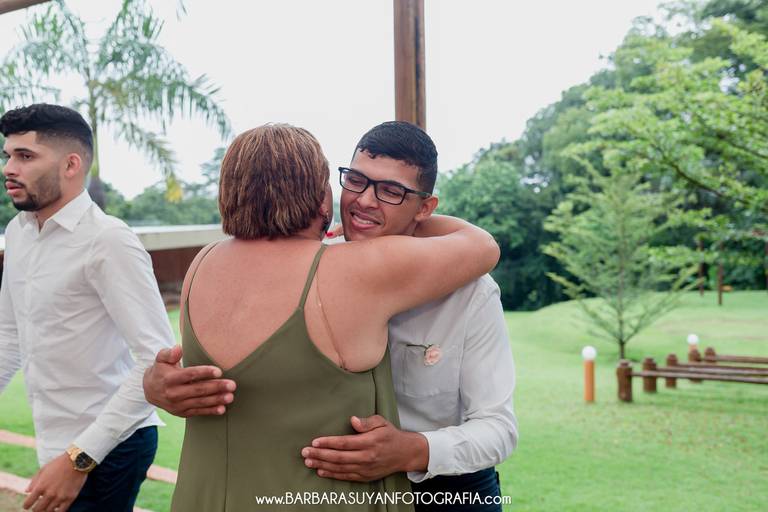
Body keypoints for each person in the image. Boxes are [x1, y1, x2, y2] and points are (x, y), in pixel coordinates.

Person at [144, 122, 516, 511]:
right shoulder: (316, 264)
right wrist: (157, 384)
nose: (365, 200)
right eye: (355, 180)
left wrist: (414, 450)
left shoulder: (471, 291)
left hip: (449, 488)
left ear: (425, 207)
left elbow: (499, 429)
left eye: (391, 191)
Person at [0, 104, 174, 512]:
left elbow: (156, 361)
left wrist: (78, 459)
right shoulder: (19, 233)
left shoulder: (108, 240)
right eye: (8, 156)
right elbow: (10, 336)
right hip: (55, 440)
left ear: (71, 165)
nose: (9, 168)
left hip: (111, 445)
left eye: (25, 156)